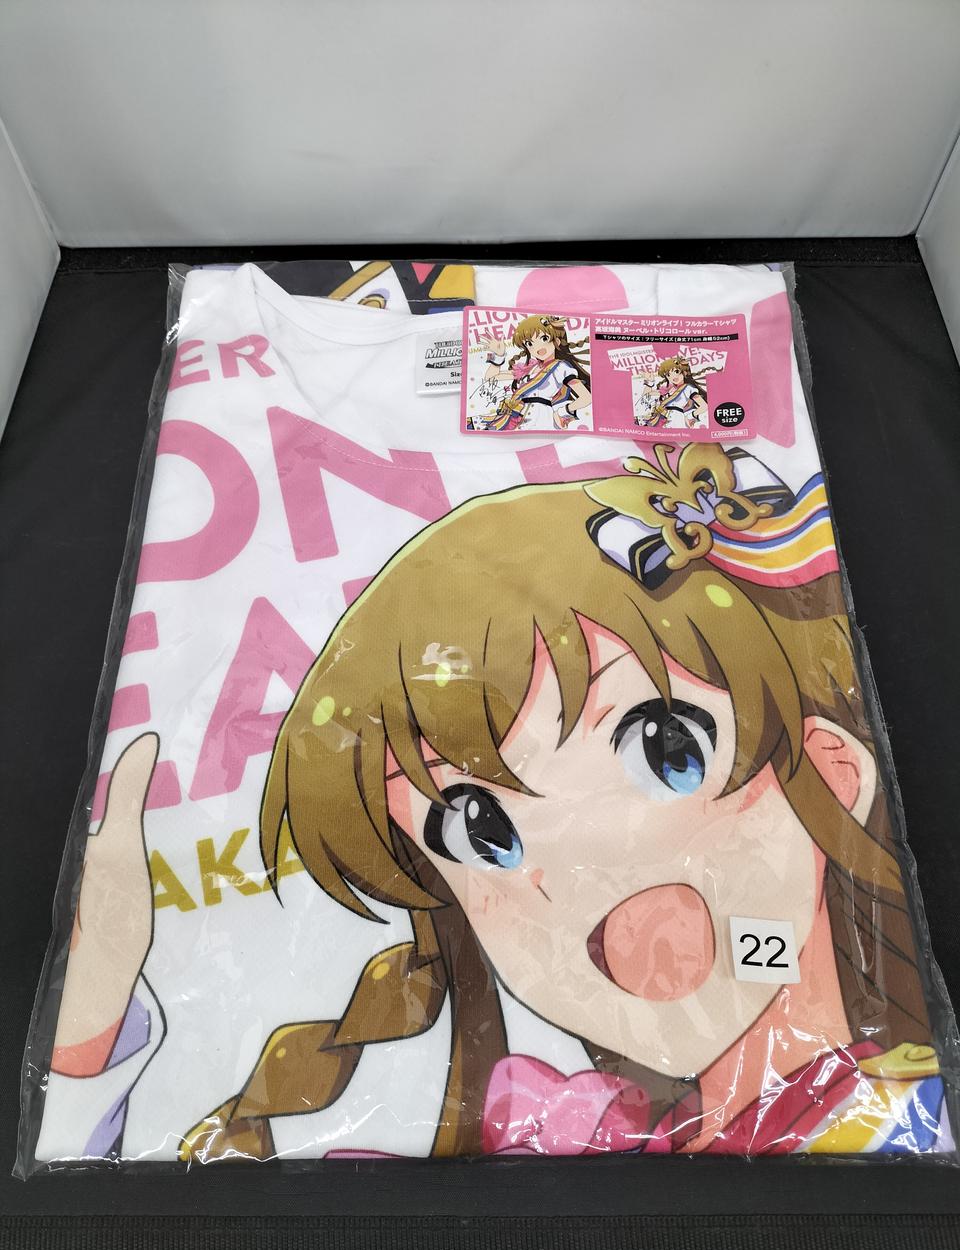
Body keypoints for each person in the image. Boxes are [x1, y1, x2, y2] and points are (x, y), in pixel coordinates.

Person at [53, 443, 949, 1162]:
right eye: (476, 830)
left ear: (831, 769)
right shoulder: (571, 1134)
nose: (589, 872)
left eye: (666, 748)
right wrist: (88, 1024)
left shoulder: (904, 1120)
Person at [472, 315, 591, 431]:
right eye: (529, 343)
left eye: (544, 338)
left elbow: (586, 397)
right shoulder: (529, 368)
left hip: (541, 418)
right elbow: (491, 377)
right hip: (516, 417)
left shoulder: (561, 367)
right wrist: (498, 355)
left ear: (557, 341)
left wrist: (562, 412)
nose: (537, 347)